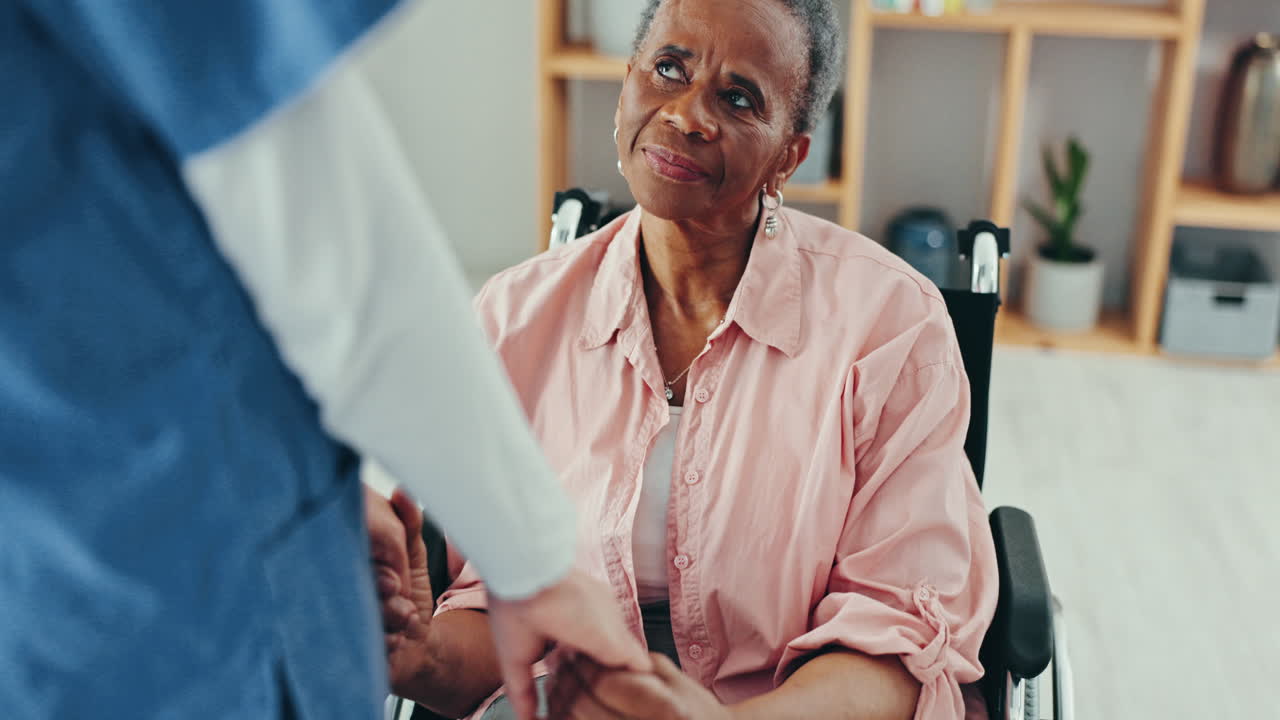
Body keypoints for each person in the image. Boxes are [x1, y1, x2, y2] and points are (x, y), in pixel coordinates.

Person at [0, 2, 645, 718]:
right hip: (196, 597)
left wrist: (310, 490)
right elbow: (339, 263)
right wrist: (535, 566)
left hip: (56, 588)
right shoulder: (522, 306)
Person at [366, 0, 999, 718]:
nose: (687, 114)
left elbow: (893, 649)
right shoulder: (514, 321)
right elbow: (502, 622)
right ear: (627, 84)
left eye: (738, 97)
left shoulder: (892, 327)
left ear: (789, 155)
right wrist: (419, 655)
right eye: (668, 69)